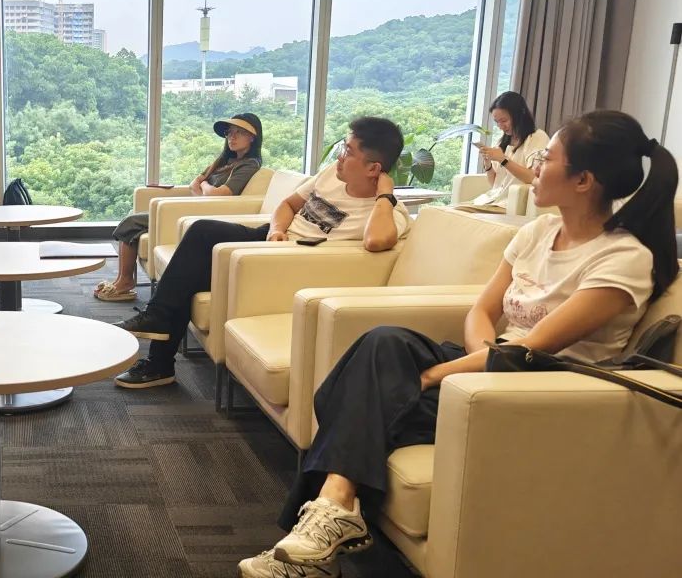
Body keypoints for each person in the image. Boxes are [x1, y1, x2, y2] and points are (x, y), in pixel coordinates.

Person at [238, 110, 677, 578]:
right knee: (383, 342)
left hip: (540, 385)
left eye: (546, 159)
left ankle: (319, 534)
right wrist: (473, 357)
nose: (531, 167)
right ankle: (330, 517)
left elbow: (533, 349)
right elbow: (482, 311)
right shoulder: (537, 233)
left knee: (356, 397)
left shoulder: (623, 259)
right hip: (492, 361)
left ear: (583, 180)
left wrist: (430, 377)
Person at [112, 117, 412, 388]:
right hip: (272, 239)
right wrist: (276, 230)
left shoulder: (389, 212)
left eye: (348, 151)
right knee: (201, 232)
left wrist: (385, 195)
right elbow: (288, 205)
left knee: (190, 271)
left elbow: (376, 241)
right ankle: (158, 345)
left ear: (374, 168)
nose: (340, 157)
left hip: (290, 263)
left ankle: (159, 353)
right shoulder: (330, 175)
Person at [95, 114, 264, 302]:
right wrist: (205, 192)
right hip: (196, 208)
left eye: (239, 132)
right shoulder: (225, 161)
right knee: (133, 218)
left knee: (132, 221)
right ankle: (122, 279)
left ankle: (125, 281)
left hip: (205, 215)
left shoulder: (249, 164)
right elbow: (194, 184)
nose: (232, 137)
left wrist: (205, 185)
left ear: (252, 137)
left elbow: (219, 194)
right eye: (229, 132)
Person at [460, 91, 550, 212]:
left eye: (504, 120)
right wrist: (488, 164)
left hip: (508, 205)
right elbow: (495, 184)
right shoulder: (502, 141)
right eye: (497, 122)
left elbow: (533, 177)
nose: (500, 126)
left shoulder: (536, 137)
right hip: (492, 200)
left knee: (454, 214)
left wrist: (503, 160)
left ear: (519, 115)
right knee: (448, 211)